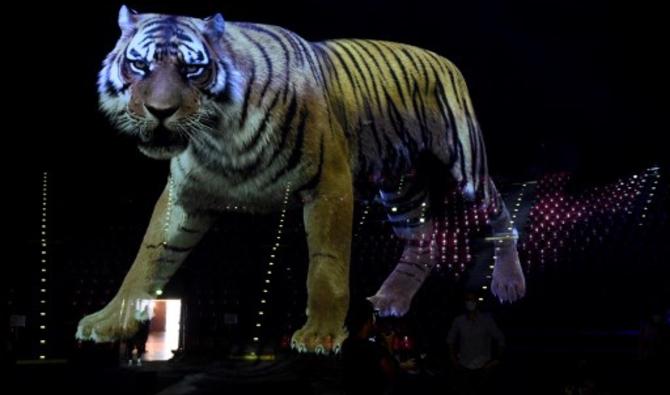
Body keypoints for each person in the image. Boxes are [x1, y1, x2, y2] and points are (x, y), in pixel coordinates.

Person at [447, 292, 505, 395]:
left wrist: (497, 360)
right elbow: (450, 339)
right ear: (465, 303)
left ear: (477, 302)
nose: (471, 303)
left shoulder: (486, 320)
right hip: (464, 366)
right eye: (468, 300)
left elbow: (500, 338)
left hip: (483, 367)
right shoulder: (459, 321)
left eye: (473, 300)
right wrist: (453, 359)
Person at [341, 298, 398, 395]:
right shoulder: (372, 349)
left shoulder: (346, 345)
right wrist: (389, 346)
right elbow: (391, 373)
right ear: (368, 321)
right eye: (373, 318)